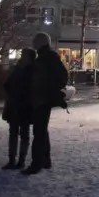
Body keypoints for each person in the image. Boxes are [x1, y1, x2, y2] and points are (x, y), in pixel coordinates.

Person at [23, 35, 68, 175]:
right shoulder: (45, 58)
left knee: (39, 132)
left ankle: (37, 163)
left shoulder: (47, 59)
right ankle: (45, 159)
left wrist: (49, 89)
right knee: (41, 131)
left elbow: (61, 77)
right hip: (41, 98)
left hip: (42, 99)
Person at [1, 48, 36, 170]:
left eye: (23, 54)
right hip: (15, 105)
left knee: (23, 134)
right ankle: (12, 160)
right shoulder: (19, 69)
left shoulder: (31, 70)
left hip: (24, 106)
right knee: (14, 133)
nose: (21, 56)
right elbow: (7, 84)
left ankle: (20, 161)